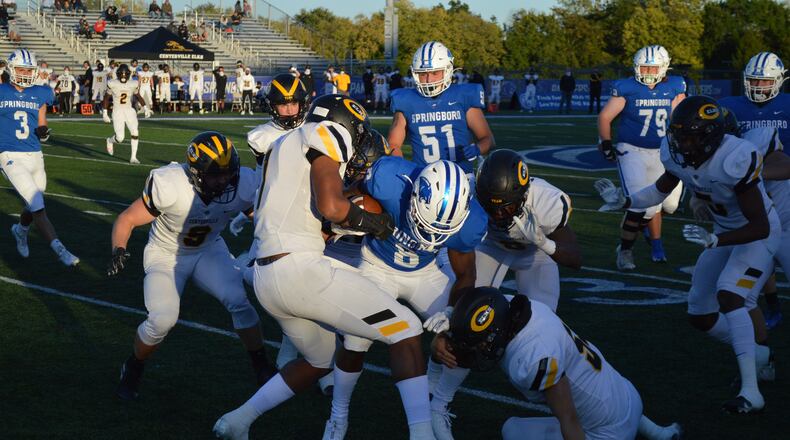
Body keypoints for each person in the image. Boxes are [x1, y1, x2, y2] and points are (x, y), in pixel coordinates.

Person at [212, 95, 434, 440]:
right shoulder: (324, 132)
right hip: (300, 269)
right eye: (357, 133)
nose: (357, 143)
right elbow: (332, 207)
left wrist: (346, 219)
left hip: (266, 275)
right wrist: (374, 223)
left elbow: (316, 216)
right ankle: (423, 434)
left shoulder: (282, 146)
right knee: (407, 329)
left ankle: (238, 420)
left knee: (320, 359)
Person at [596, 96, 788, 413]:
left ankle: (751, 392)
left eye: (689, 137)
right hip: (723, 233)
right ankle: (756, 353)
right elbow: (659, 189)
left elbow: (760, 226)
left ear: (710, 137)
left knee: (731, 295)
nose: (680, 143)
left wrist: (715, 239)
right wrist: (626, 200)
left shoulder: (735, 157)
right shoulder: (678, 153)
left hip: (757, 235)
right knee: (700, 314)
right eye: (678, 135)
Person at [321, 157, 487, 440]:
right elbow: (349, 197)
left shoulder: (470, 222)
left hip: (424, 272)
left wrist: (450, 312)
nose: (430, 235)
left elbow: (466, 275)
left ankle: (438, 405)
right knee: (356, 340)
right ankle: (338, 416)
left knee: (467, 328)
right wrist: (350, 215)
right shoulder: (389, 179)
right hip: (376, 265)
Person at [108, 131, 276, 401]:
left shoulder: (242, 184)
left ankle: (261, 365)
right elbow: (127, 219)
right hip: (165, 254)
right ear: (196, 173)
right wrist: (119, 249)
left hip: (208, 250)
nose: (223, 181)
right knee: (162, 319)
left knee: (238, 300)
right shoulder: (170, 184)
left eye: (228, 174)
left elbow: (257, 213)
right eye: (216, 175)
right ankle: (134, 366)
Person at [438, 287, 683, 440]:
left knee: (512, 430)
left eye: (482, 343)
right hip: (628, 395)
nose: (479, 348)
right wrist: (446, 330)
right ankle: (658, 433)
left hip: (609, 432)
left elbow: (569, 419)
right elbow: (478, 310)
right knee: (599, 391)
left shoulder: (534, 357)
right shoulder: (520, 308)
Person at [597, 45, 686, 270]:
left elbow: (681, 118)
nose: (647, 72)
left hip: (663, 152)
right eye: (643, 67)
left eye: (652, 67)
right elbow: (605, 117)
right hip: (632, 151)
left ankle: (635, 216)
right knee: (640, 206)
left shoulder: (675, 86)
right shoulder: (627, 87)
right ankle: (625, 251)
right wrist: (606, 143)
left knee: (670, 205)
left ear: (664, 67)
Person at [720, 52, 789, 328]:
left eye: (765, 81)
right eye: (754, 81)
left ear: (779, 80)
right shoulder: (730, 106)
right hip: (746, 197)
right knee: (745, 278)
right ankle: (770, 309)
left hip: (782, 190)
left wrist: (755, 173)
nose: (759, 87)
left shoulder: (786, 106)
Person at [474, 149, 582, 312]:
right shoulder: (470, 193)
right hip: (490, 247)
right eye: (491, 207)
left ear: (523, 196)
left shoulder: (545, 201)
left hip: (534, 253)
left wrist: (543, 243)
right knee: (468, 304)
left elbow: (576, 259)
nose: (499, 214)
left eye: (507, 207)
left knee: (542, 314)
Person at [2, 49, 80, 267]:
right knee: (37, 203)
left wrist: (43, 132)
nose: (26, 74)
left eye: (29, 70)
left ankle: (21, 230)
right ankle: (60, 250)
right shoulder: (1, 92)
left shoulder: (41, 92)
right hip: (9, 154)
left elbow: (41, 121)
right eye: (21, 69)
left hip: (35, 154)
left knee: (34, 202)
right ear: (11, 69)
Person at [388, 40, 495, 178]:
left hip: (462, 177)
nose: (429, 80)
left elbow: (488, 139)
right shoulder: (407, 101)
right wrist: (402, 168)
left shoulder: (462, 96)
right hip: (423, 177)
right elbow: (393, 144)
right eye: (423, 74)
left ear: (448, 70)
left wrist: (477, 148)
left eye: (435, 73)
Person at [102, 64, 150, 164]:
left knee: (135, 132)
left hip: (129, 110)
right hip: (117, 111)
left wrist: (145, 108)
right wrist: (105, 113)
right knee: (120, 138)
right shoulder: (112, 83)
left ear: (128, 74)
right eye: (122, 74)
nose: (123, 76)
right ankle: (110, 141)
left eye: (125, 74)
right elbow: (106, 97)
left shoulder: (133, 83)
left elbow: (138, 95)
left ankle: (133, 157)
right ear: (118, 74)